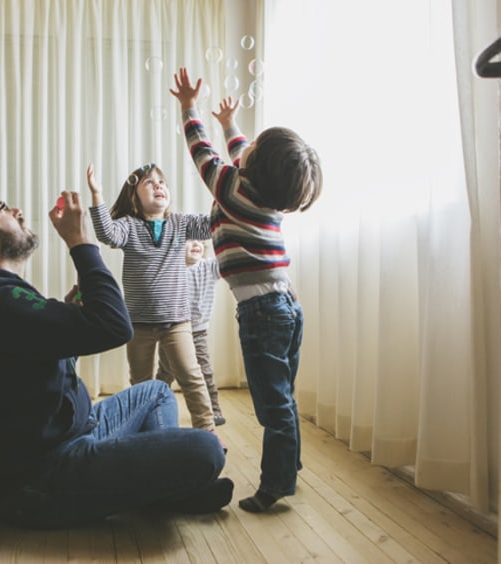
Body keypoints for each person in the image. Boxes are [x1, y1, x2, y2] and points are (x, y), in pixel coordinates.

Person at [0, 181, 233, 528]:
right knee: (205, 449)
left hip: (76, 434)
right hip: (46, 477)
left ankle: (160, 483)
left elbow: (32, 361)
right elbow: (117, 326)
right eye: (3, 209)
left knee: (157, 392)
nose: (17, 211)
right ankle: (162, 485)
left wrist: (66, 316)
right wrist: (80, 240)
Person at [170, 67, 323, 513]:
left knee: (271, 405)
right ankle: (288, 465)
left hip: (263, 312)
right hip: (285, 307)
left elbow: (203, 155)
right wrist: (231, 125)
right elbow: (241, 153)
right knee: (283, 396)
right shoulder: (261, 192)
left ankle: (275, 486)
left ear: (253, 168)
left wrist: (189, 108)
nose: (244, 147)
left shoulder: (233, 190)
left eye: (251, 147)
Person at [86, 163, 219, 436]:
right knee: (141, 384)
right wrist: (97, 195)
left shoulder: (180, 223)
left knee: (192, 377)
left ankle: (208, 433)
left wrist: (223, 192)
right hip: (139, 324)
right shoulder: (128, 226)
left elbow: (210, 226)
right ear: (134, 197)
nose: (159, 185)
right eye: (149, 182)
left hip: (177, 321)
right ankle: (145, 436)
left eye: (162, 182)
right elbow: (106, 234)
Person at [156, 239, 226, 426]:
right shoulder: (171, 268)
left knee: (205, 371)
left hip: (198, 331)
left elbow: (226, 259)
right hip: (172, 331)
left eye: (199, 241)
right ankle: (153, 407)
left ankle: (214, 410)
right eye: (189, 240)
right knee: (166, 371)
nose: (196, 244)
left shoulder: (209, 267)